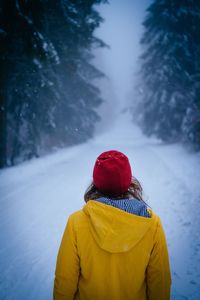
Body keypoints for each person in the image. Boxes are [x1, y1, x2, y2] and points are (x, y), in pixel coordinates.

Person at [53, 150, 171, 300]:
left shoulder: (76, 222)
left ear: (96, 183)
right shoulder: (151, 222)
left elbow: (65, 280)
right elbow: (160, 281)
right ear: (129, 181)